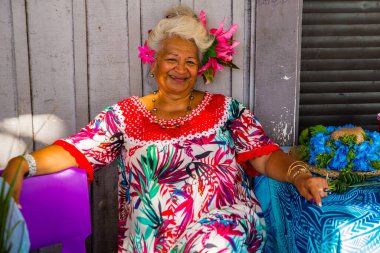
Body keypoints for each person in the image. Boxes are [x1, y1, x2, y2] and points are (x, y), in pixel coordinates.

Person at [2, 5, 330, 253]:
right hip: (152, 238)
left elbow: (264, 156)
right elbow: (76, 149)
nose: (181, 69)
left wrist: (298, 174)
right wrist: (24, 164)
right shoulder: (125, 115)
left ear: (200, 69)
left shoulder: (226, 109)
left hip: (225, 231)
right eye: (173, 59)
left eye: (190, 62)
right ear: (155, 61)